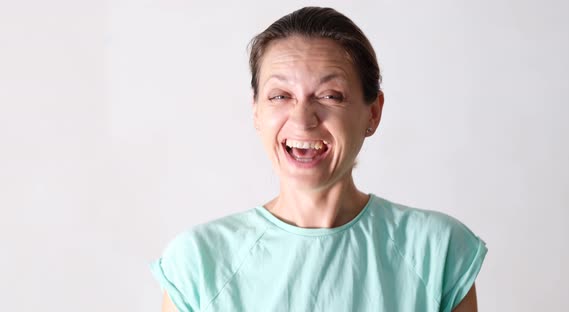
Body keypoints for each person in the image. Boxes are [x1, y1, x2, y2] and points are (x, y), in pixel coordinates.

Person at [151, 6, 487, 312]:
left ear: (373, 112)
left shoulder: (437, 252)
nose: (302, 119)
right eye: (280, 95)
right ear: (256, 111)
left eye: (330, 95)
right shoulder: (198, 265)